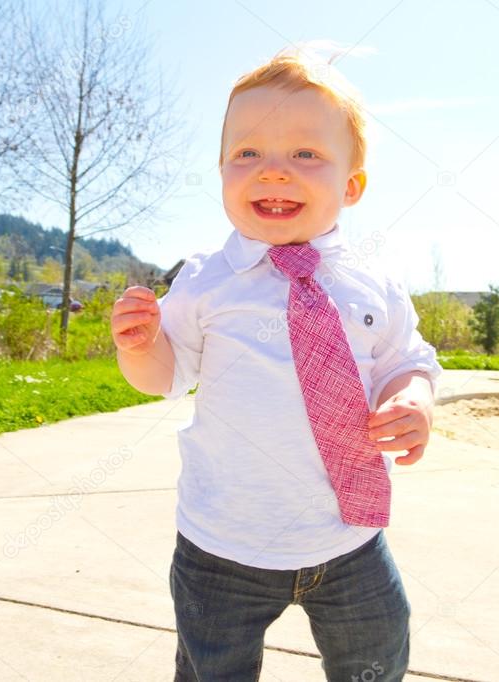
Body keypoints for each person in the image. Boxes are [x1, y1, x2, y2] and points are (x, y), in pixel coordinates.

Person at [112, 48, 441, 681]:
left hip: (349, 540)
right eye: (248, 154)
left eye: (305, 155)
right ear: (223, 172)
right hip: (221, 546)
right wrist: (140, 347)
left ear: (351, 186)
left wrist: (412, 397)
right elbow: (165, 376)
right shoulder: (206, 280)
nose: (273, 173)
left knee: (378, 659)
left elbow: (409, 360)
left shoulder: (372, 284)